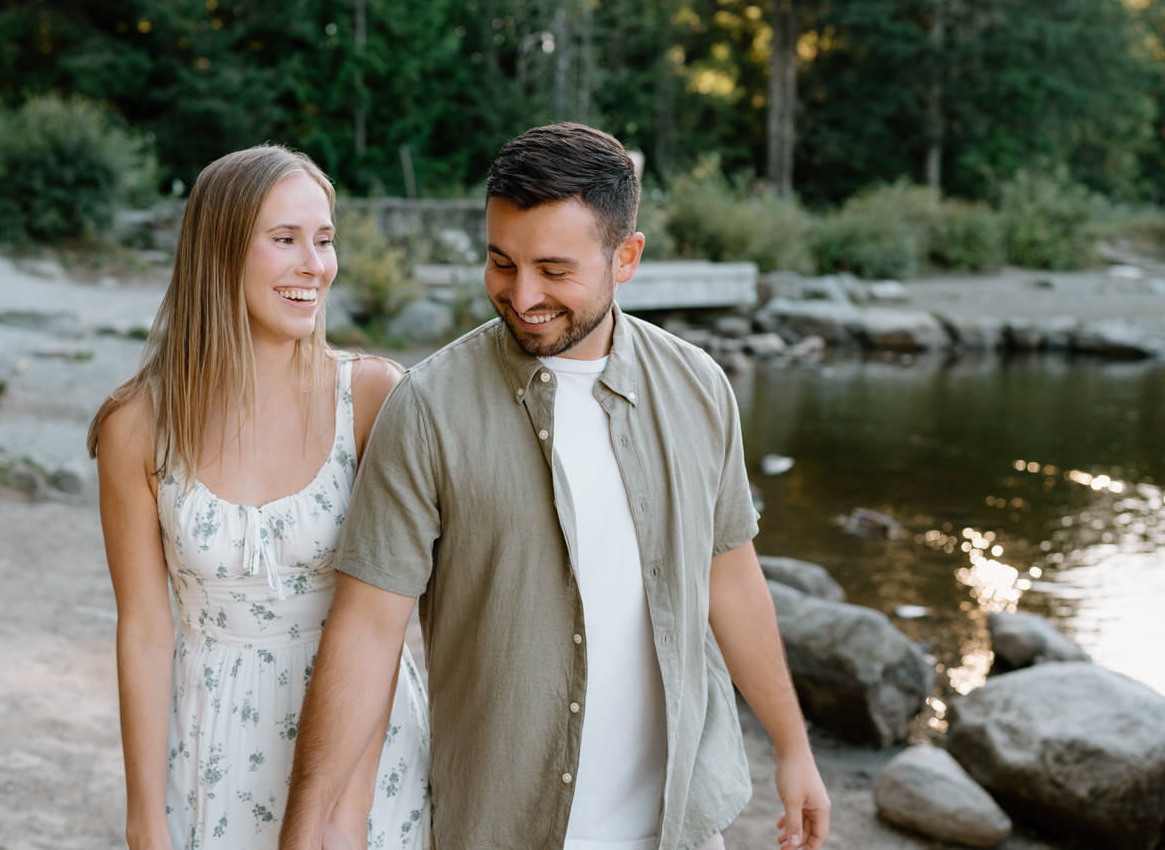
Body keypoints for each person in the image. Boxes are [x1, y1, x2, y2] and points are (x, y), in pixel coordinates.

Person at [279, 123, 830, 850]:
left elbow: (729, 578)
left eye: (554, 269)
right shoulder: (429, 407)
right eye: (501, 262)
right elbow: (369, 629)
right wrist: (307, 823)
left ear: (625, 256)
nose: (522, 294)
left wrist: (794, 748)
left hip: (673, 829)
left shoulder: (700, 389)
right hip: (500, 824)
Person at [87, 145, 429, 850]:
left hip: (366, 743)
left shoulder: (371, 399)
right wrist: (145, 820)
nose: (316, 265)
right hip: (214, 743)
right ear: (220, 252)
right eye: (285, 240)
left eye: (325, 240)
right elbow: (146, 633)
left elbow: (397, 617)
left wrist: (349, 808)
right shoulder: (137, 428)